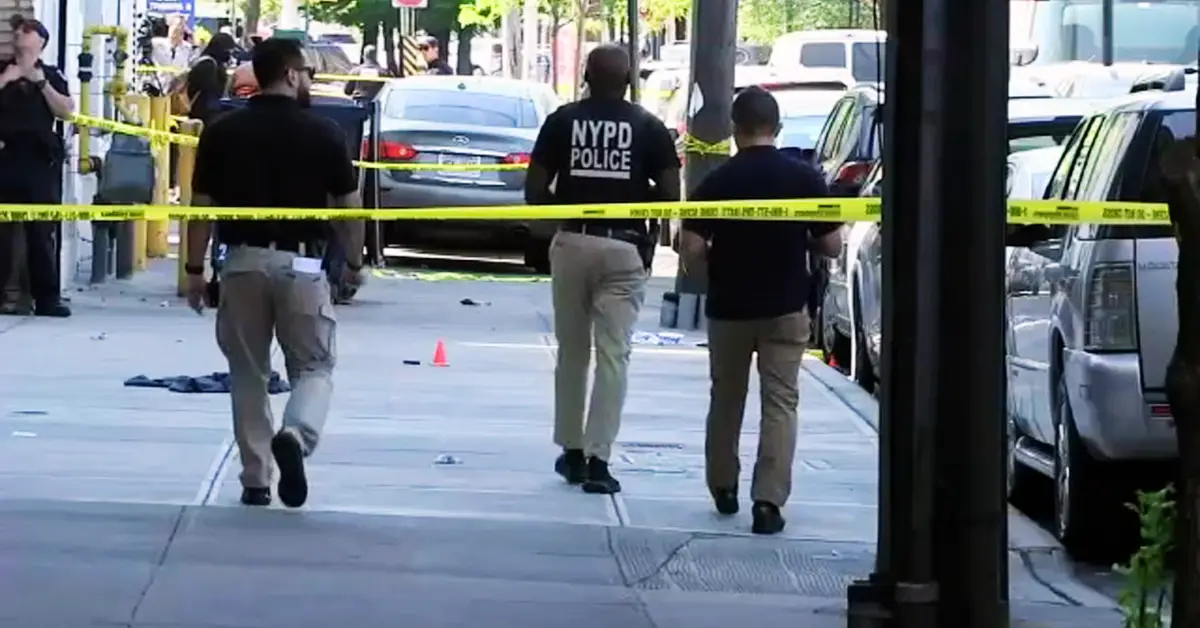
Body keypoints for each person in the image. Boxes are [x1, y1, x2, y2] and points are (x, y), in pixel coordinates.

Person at [185, 38, 365, 509]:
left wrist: (192, 269)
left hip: (241, 261)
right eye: (305, 71)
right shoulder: (325, 132)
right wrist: (353, 262)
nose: (309, 79)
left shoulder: (221, 132)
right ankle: (296, 433)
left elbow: (200, 208)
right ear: (289, 75)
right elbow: (349, 208)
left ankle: (256, 479)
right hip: (303, 263)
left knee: (247, 372)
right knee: (314, 365)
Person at [677, 86, 844, 535]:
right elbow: (831, 244)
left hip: (729, 308)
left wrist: (714, 260)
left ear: (734, 130)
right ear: (777, 128)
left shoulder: (717, 181)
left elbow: (690, 246)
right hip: (786, 307)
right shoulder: (804, 179)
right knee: (781, 402)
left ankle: (722, 486)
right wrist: (800, 241)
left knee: (726, 398)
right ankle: (768, 501)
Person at [525, 45, 680, 495]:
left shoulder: (562, 121)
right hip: (624, 247)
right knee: (614, 355)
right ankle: (599, 458)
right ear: (629, 81)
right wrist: (634, 200)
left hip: (573, 241)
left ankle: (570, 450)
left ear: (586, 76)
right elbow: (671, 195)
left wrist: (569, 212)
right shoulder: (649, 128)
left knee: (572, 351)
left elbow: (535, 188)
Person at [0, 15, 74, 318]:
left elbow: (67, 111)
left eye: (26, 30)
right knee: (3, 232)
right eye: (16, 29)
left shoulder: (51, 75)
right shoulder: (2, 69)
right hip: (6, 157)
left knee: (42, 232)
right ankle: (5, 295)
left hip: (40, 161)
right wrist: (8, 78)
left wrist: (39, 81)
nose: (19, 34)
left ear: (41, 40)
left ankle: (46, 297)